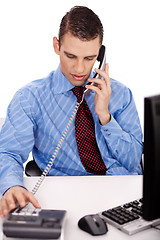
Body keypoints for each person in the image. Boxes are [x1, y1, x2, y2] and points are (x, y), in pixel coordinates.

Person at [0, 6, 143, 218]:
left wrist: (105, 116)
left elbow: (133, 160)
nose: (79, 69)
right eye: (71, 56)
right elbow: (8, 153)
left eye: (89, 58)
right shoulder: (29, 99)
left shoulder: (121, 95)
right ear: (56, 46)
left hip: (123, 194)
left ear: (100, 54)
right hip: (67, 197)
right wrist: (11, 186)